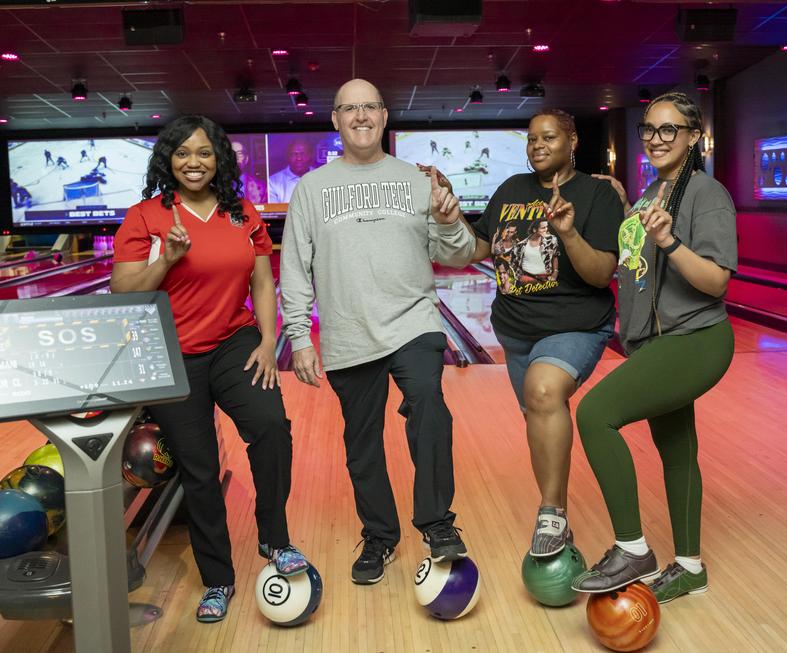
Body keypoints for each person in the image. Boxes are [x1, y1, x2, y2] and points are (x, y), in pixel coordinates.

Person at [110, 115, 307, 623]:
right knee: (198, 471)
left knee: (270, 427)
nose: (193, 162)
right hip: (172, 356)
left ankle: (275, 539)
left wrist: (268, 341)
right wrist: (167, 260)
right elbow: (123, 293)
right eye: (182, 153)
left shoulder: (242, 212)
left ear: (218, 158)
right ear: (168, 161)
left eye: (203, 152)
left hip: (233, 343)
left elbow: (263, 279)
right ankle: (217, 578)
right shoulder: (146, 217)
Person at [280, 78, 475, 585]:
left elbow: (456, 253)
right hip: (348, 331)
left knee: (429, 405)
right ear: (336, 120)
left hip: (414, 322)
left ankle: (436, 523)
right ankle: (380, 536)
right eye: (349, 108)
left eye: (370, 107)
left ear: (386, 116)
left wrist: (451, 222)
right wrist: (299, 336)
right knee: (361, 443)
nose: (361, 116)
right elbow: (296, 269)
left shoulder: (419, 179)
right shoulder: (311, 189)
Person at [424, 108, 622, 558]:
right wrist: (448, 217)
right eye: (531, 139)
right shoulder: (511, 189)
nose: (537, 145)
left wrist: (568, 234)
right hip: (515, 332)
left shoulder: (597, 195)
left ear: (572, 141)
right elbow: (478, 248)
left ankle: (551, 513)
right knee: (538, 414)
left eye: (549, 137)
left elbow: (601, 273)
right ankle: (555, 515)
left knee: (544, 392)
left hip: (575, 325)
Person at [571, 92, 736, 604]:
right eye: (649, 128)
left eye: (670, 129)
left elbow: (715, 281)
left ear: (693, 137)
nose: (657, 138)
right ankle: (689, 567)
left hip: (694, 338)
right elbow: (637, 264)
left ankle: (632, 548)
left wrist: (669, 243)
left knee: (595, 414)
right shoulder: (652, 193)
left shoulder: (706, 194)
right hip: (655, 343)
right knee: (677, 449)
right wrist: (626, 207)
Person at [231, 139, 267, 204]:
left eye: (239, 153)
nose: (235, 157)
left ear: (246, 159)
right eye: (231, 153)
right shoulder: (216, 186)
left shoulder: (261, 187)